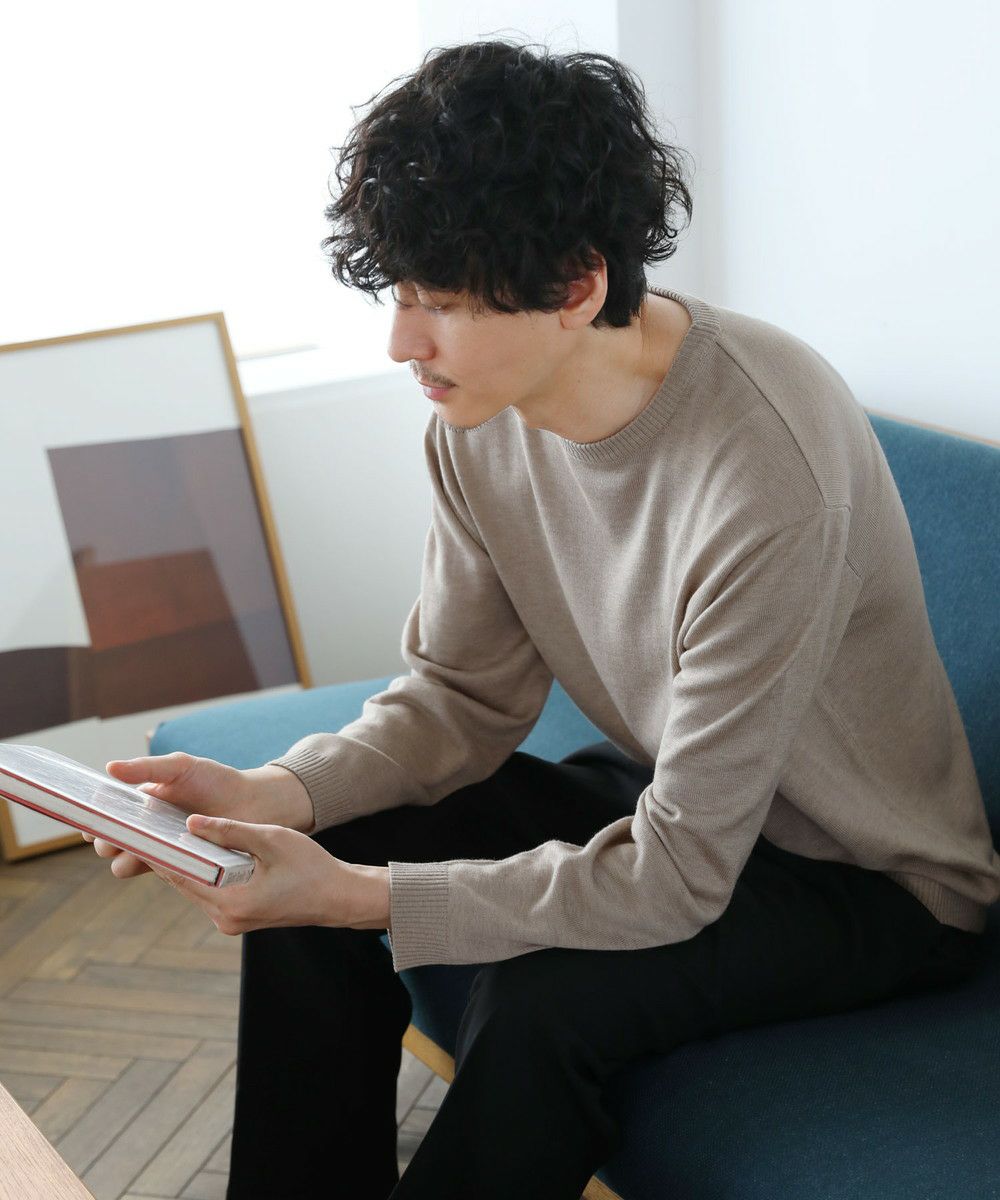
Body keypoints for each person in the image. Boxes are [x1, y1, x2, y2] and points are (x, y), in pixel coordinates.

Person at [84, 38, 1000, 1200]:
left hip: (867, 883)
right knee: (326, 852)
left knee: (539, 994)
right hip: (666, 798)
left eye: (440, 303)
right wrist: (277, 795)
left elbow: (677, 877)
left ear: (575, 287)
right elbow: (458, 703)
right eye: (398, 294)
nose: (401, 343)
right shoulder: (480, 419)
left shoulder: (766, 475)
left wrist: (359, 897)